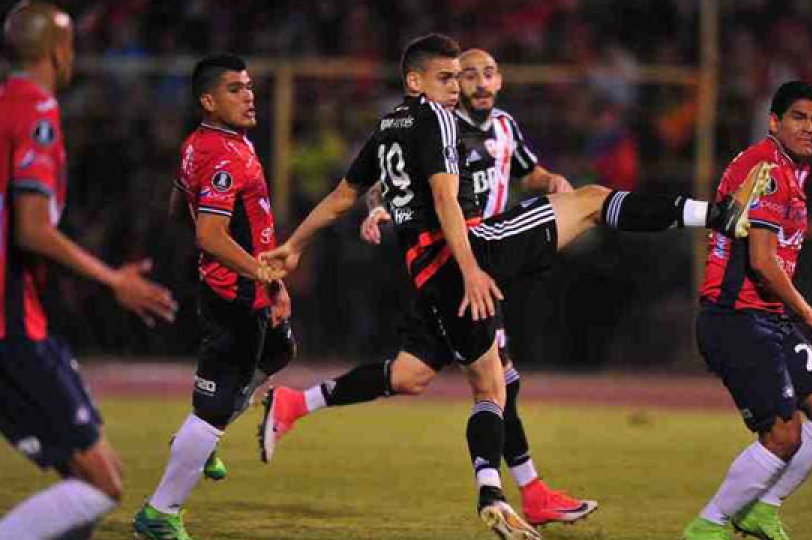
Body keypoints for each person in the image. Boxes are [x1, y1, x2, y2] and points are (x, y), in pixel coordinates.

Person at [260, 34, 763, 540]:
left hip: (428, 272)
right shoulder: (436, 119)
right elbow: (443, 199)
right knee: (592, 201)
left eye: (468, 75)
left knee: (459, 382)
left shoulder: (392, 127)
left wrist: (294, 243)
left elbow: (344, 194)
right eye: (449, 77)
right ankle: (718, 215)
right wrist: (473, 268)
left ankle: (491, 492)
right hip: (473, 250)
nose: (460, 86)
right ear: (415, 82)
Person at [355, 47, 595, 527]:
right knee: (483, 381)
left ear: (501, 79)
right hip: (458, 261)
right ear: (452, 83)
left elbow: (529, 171)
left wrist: (553, 181)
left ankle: (301, 402)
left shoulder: (505, 125)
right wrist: (376, 207)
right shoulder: (441, 127)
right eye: (469, 75)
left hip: (494, 258)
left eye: (489, 73)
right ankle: (515, 491)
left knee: (440, 376)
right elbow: (384, 179)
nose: (481, 83)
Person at [0, 3, 178, 539]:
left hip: (18, 321)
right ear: (59, 51)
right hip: (12, 326)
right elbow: (31, 229)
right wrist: (113, 280)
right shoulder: (36, 111)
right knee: (101, 484)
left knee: (95, 477)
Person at [133, 54, 295, 540]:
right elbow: (209, 234)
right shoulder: (224, 155)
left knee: (281, 351)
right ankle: (159, 514)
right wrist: (265, 274)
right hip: (236, 295)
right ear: (208, 100)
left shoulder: (209, 144)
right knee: (215, 403)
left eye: (248, 86)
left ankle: (200, 437)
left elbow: (177, 203)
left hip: (245, 287)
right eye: (234, 89)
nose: (249, 95)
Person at [682, 81, 812, 540]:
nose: (810, 129)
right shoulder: (769, 167)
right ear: (774, 122)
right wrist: (807, 311)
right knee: (783, 435)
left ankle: (761, 507)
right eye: (799, 118)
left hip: (766, 317)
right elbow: (761, 259)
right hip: (735, 316)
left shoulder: (791, 170)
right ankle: (708, 527)